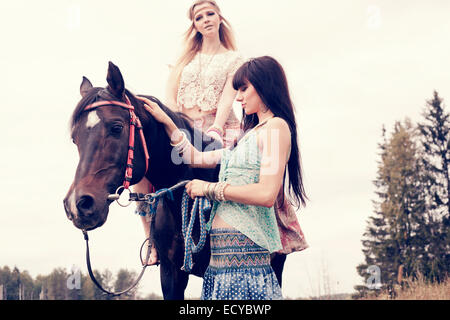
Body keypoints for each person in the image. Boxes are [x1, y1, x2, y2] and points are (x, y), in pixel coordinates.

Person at [138, 56, 308, 300]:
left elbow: (267, 194)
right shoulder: (247, 137)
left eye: (244, 89)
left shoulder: (276, 128)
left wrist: (211, 189)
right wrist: (166, 120)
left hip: (245, 256)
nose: (238, 97)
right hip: (221, 259)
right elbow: (194, 157)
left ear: (265, 85)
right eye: (237, 90)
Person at [134, 0, 243, 266]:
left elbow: (228, 98)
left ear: (219, 18)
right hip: (182, 126)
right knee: (145, 164)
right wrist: (171, 126)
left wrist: (215, 128)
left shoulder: (234, 59)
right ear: (193, 25)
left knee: (241, 167)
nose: (205, 19)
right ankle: (150, 237)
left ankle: (241, 232)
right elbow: (170, 101)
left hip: (218, 126)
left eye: (210, 14)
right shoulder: (184, 61)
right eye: (198, 17)